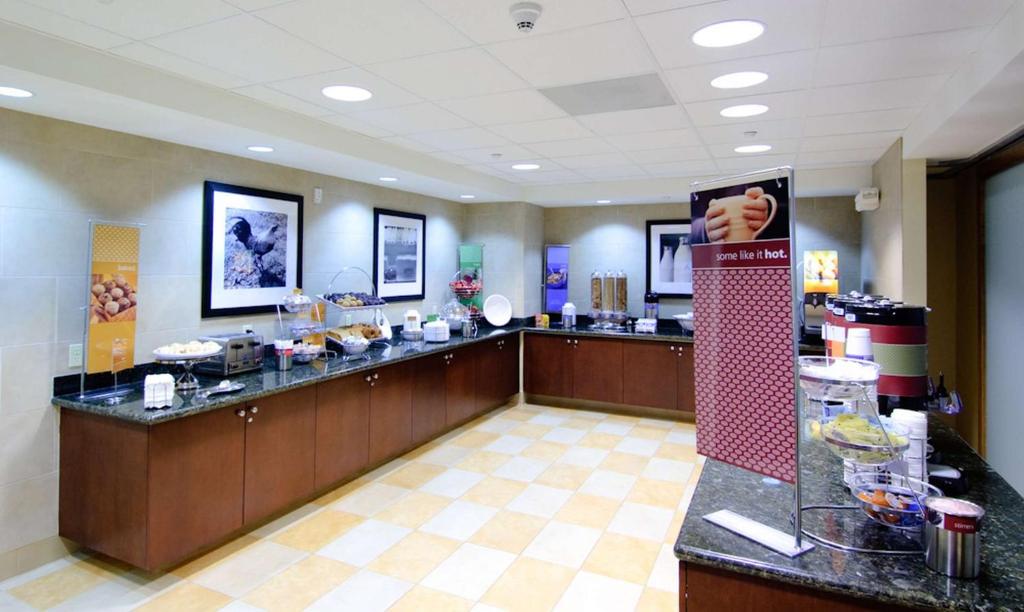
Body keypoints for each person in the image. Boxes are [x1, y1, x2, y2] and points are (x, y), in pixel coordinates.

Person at [690, 186, 770, 244]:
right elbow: (687, 225)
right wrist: (708, 226)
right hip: (721, 254)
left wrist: (766, 208)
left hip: (765, 252)